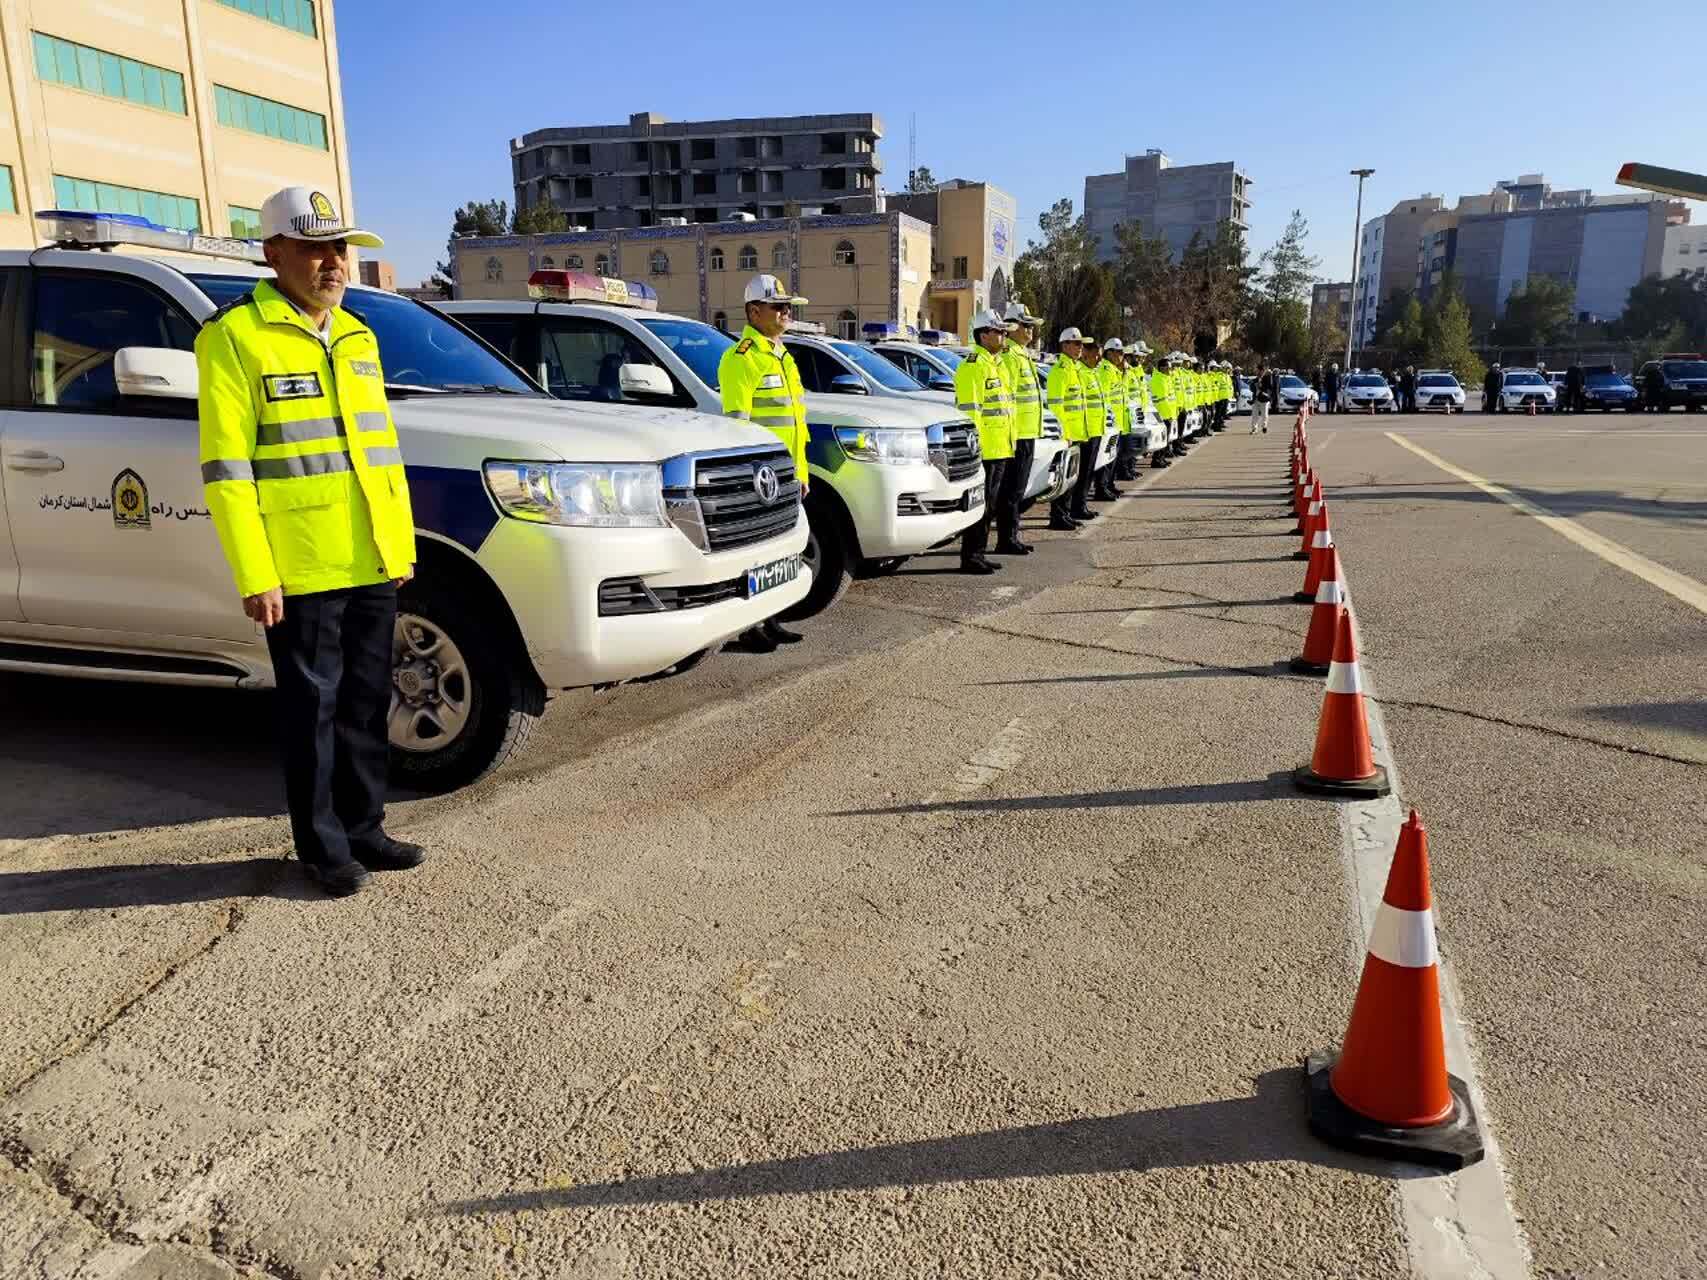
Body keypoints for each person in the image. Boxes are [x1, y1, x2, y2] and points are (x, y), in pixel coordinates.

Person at [198, 187, 423, 897]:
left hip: (368, 556)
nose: (333, 262)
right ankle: (322, 848)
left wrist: (399, 545)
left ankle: (364, 827)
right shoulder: (234, 337)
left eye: (340, 248)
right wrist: (255, 571)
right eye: (315, 247)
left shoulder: (358, 335)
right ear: (273, 253)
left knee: (364, 702)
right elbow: (227, 471)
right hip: (299, 569)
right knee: (313, 714)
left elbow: (379, 452)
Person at [718, 274, 811, 653]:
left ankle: (772, 619)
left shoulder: (782, 355)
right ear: (754, 312)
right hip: (763, 478)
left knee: (783, 551)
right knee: (757, 554)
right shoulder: (741, 359)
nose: (786, 312)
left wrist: (801, 473)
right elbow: (737, 427)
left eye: (788, 306)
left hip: (789, 473)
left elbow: (795, 423)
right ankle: (751, 626)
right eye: (778, 306)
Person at [954, 309, 1018, 573]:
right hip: (986, 448)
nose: (1004, 335)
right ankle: (970, 555)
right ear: (983, 334)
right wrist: (975, 448)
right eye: (999, 331)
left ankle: (978, 552)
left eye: (1004, 331)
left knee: (990, 505)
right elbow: (971, 412)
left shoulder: (997, 363)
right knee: (980, 504)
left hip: (1001, 445)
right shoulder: (973, 365)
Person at [998, 301, 1045, 551]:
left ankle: (1012, 536)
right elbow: (1008, 398)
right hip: (1017, 434)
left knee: (1017, 489)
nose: (1030, 331)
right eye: (1026, 326)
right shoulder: (1009, 356)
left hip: (1027, 431)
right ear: (1013, 326)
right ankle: (1007, 539)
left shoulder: (1021, 354)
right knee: (1011, 489)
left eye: (1031, 327)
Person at [1045, 328, 1090, 528]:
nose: (1081, 348)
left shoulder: (1075, 369)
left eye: (1081, 344)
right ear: (1065, 346)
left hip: (1079, 431)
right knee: (1064, 477)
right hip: (1068, 434)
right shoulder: (1060, 371)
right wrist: (1064, 433)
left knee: (1073, 477)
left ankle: (1067, 513)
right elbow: (1056, 406)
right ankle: (1058, 516)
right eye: (1077, 343)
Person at [1077, 338, 1109, 512]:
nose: (1099, 359)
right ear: (1086, 353)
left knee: (1088, 471)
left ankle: (1081, 505)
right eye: (1096, 355)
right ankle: (1078, 506)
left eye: (1100, 356)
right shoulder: (1081, 372)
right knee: (1082, 473)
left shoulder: (1092, 373)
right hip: (1084, 431)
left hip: (1096, 429)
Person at [1094, 338, 1128, 500]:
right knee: (1106, 458)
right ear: (1109, 353)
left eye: (1123, 353)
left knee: (1113, 457)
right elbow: (1105, 398)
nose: (1122, 356)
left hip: (1118, 421)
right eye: (1119, 352)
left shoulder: (1115, 370)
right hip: (1109, 422)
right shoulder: (1105, 371)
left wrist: (1124, 373)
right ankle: (1101, 487)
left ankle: (1109, 485)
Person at [1149, 349, 1175, 468]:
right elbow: (1161, 400)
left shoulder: (1165, 379)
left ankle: (1161, 458)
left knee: (1165, 438)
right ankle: (1157, 459)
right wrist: (1167, 415)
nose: (1170, 370)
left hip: (1167, 413)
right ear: (1162, 368)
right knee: (1161, 438)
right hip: (1162, 414)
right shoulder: (1158, 380)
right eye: (1168, 368)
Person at [1251, 363, 1271, 434]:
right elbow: (1251, 388)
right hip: (1255, 399)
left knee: (1264, 415)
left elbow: (1269, 387)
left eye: (1258, 370)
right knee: (1254, 415)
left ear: (1262, 370)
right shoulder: (1255, 379)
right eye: (1257, 371)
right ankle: (1254, 428)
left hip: (1264, 399)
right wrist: (1254, 385)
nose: (1257, 372)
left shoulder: (1267, 378)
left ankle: (1264, 426)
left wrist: (1260, 387)